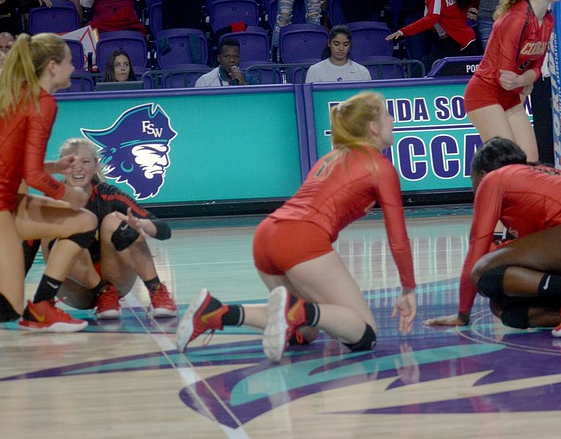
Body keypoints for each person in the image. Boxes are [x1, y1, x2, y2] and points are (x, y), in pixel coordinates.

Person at [175, 91, 417, 362]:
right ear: (373, 127)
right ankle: (299, 310)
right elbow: (398, 239)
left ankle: (216, 313)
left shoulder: (329, 158)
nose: (392, 119)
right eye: (386, 114)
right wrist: (408, 288)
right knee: (364, 333)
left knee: (306, 332)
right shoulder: (380, 166)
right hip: (300, 240)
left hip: (267, 235)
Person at [424, 137, 561, 338]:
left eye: (472, 179)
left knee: (483, 271)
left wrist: (463, 314)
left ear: (481, 175)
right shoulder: (543, 173)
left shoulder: (493, 180)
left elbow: (477, 250)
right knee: (502, 306)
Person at [0, 33, 101, 332]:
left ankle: (41, 307)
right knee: (7, 307)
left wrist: (55, 166)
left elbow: (21, 165)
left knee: (84, 221)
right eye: (68, 61)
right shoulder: (43, 102)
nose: (73, 67)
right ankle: (33, 310)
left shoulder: (25, 93)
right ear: (52, 67)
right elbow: (34, 177)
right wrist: (69, 194)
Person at [48, 137, 177, 319]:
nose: (77, 168)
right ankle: (53, 301)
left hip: (114, 280)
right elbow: (27, 249)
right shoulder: (51, 200)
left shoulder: (109, 195)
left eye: (85, 162)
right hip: (74, 287)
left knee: (114, 220)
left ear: (95, 165)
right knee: (55, 222)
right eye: (70, 162)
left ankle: (157, 292)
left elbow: (164, 230)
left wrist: (142, 225)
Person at [463, 0, 561, 163]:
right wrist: (523, 82)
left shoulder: (548, 20)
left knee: (530, 160)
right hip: (485, 92)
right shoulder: (516, 18)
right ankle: (487, 193)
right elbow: (505, 77)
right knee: (508, 162)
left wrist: (523, 81)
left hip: (510, 95)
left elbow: (537, 67)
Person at [386, 0, 479, 71]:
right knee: (422, 72)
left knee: (420, 73)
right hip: (447, 44)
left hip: (460, 45)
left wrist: (403, 31)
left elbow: (431, 18)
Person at [306, 24, 372, 82]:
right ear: (329, 43)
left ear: (350, 45)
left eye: (345, 44)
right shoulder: (314, 71)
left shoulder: (362, 72)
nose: (341, 48)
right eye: (336, 44)